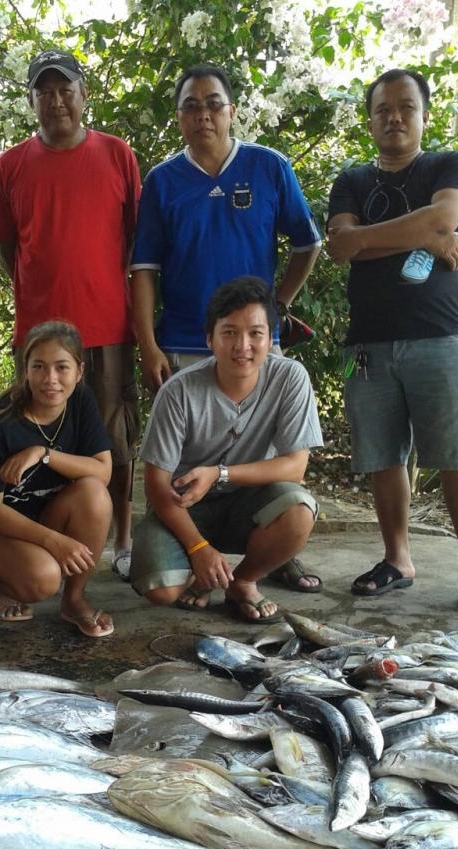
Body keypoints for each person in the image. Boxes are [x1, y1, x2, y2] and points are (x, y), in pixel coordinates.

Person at [130, 62, 322, 595]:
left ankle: (272, 554)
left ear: (232, 110)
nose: (203, 114)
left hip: (255, 341)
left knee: (270, 455)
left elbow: (306, 245)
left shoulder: (268, 167)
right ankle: (193, 546)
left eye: (213, 103)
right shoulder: (164, 181)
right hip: (185, 344)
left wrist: (275, 307)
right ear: (179, 117)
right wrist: (148, 344)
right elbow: (145, 270)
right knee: (185, 460)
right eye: (191, 105)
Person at [327, 68, 458, 618]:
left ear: (423, 114)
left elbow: (446, 217)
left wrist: (370, 240)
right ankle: (397, 561)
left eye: (406, 107)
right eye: (383, 109)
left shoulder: (449, 165)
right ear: (370, 118)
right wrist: (419, 233)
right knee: (383, 458)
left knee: (456, 458)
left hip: (437, 336)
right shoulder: (351, 179)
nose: (394, 117)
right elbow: (339, 247)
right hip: (366, 345)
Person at [0, 49, 141, 583]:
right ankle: (29, 538)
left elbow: (132, 242)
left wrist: (99, 286)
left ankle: (120, 537)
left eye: (65, 89)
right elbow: (8, 247)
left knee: (112, 442)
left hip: (106, 330)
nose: (56, 101)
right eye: (44, 91)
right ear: (31, 100)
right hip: (37, 339)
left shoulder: (118, 155)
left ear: (83, 94)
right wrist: (35, 294)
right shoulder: (9, 166)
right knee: (27, 439)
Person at [129, 276, 322, 623]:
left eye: (255, 334)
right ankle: (201, 568)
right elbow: (156, 486)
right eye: (229, 332)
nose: (242, 345)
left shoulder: (291, 378)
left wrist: (220, 474)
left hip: (248, 503)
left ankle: (242, 581)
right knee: (161, 591)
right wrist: (198, 547)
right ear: (210, 339)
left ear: (270, 338)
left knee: (299, 509)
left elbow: (295, 467)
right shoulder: (178, 391)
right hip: (183, 506)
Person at [0, 321, 115, 638]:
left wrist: (44, 453)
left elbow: (102, 470)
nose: (51, 380)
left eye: (62, 368)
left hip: (49, 515)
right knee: (43, 579)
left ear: (79, 371)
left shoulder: (80, 401)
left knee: (95, 494)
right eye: (39, 367)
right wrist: (53, 542)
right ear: (25, 370)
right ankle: (1, 583)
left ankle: (73, 600)